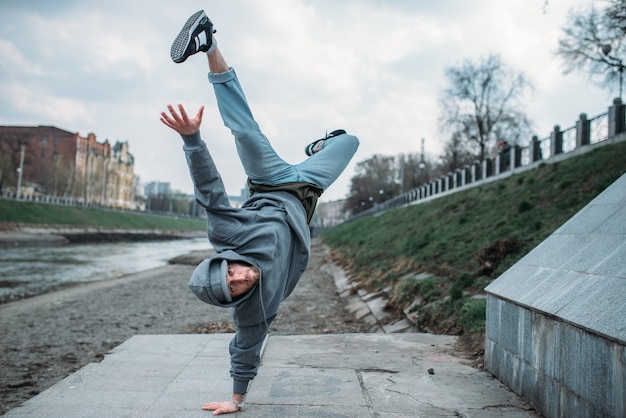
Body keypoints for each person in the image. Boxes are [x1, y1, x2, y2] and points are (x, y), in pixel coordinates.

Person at [160, 10, 359, 415]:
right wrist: (236, 401)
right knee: (351, 141)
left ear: (224, 261)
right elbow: (245, 347)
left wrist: (193, 140)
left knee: (246, 131)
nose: (239, 277)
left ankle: (208, 42)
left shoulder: (227, 237)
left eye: (229, 272)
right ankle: (324, 147)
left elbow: (210, 191)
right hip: (307, 194)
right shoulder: (254, 308)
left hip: (271, 181)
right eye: (233, 287)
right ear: (232, 299)